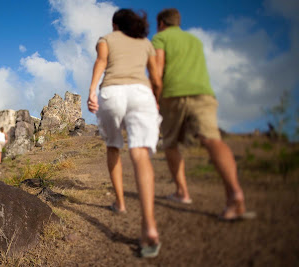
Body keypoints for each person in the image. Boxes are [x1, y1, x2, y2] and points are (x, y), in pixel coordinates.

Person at [152, 8, 255, 221]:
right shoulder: (195, 41)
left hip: (173, 95)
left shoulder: (160, 38)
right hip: (203, 93)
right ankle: (234, 192)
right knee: (212, 140)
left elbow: (158, 68)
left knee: (170, 144)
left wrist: (155, 97)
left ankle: (182, 192)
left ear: (161, 23)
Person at [87, 9, 162, 257]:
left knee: (113, 146)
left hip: (113, 92)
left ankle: (120, 202)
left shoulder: (106, 39)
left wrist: (92, 91)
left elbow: (101, 62)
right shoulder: (145, 43)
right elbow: (156, 76)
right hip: (141, 93)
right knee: (140, 154)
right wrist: (157, 98)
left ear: (115, 25)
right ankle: (149, 225)